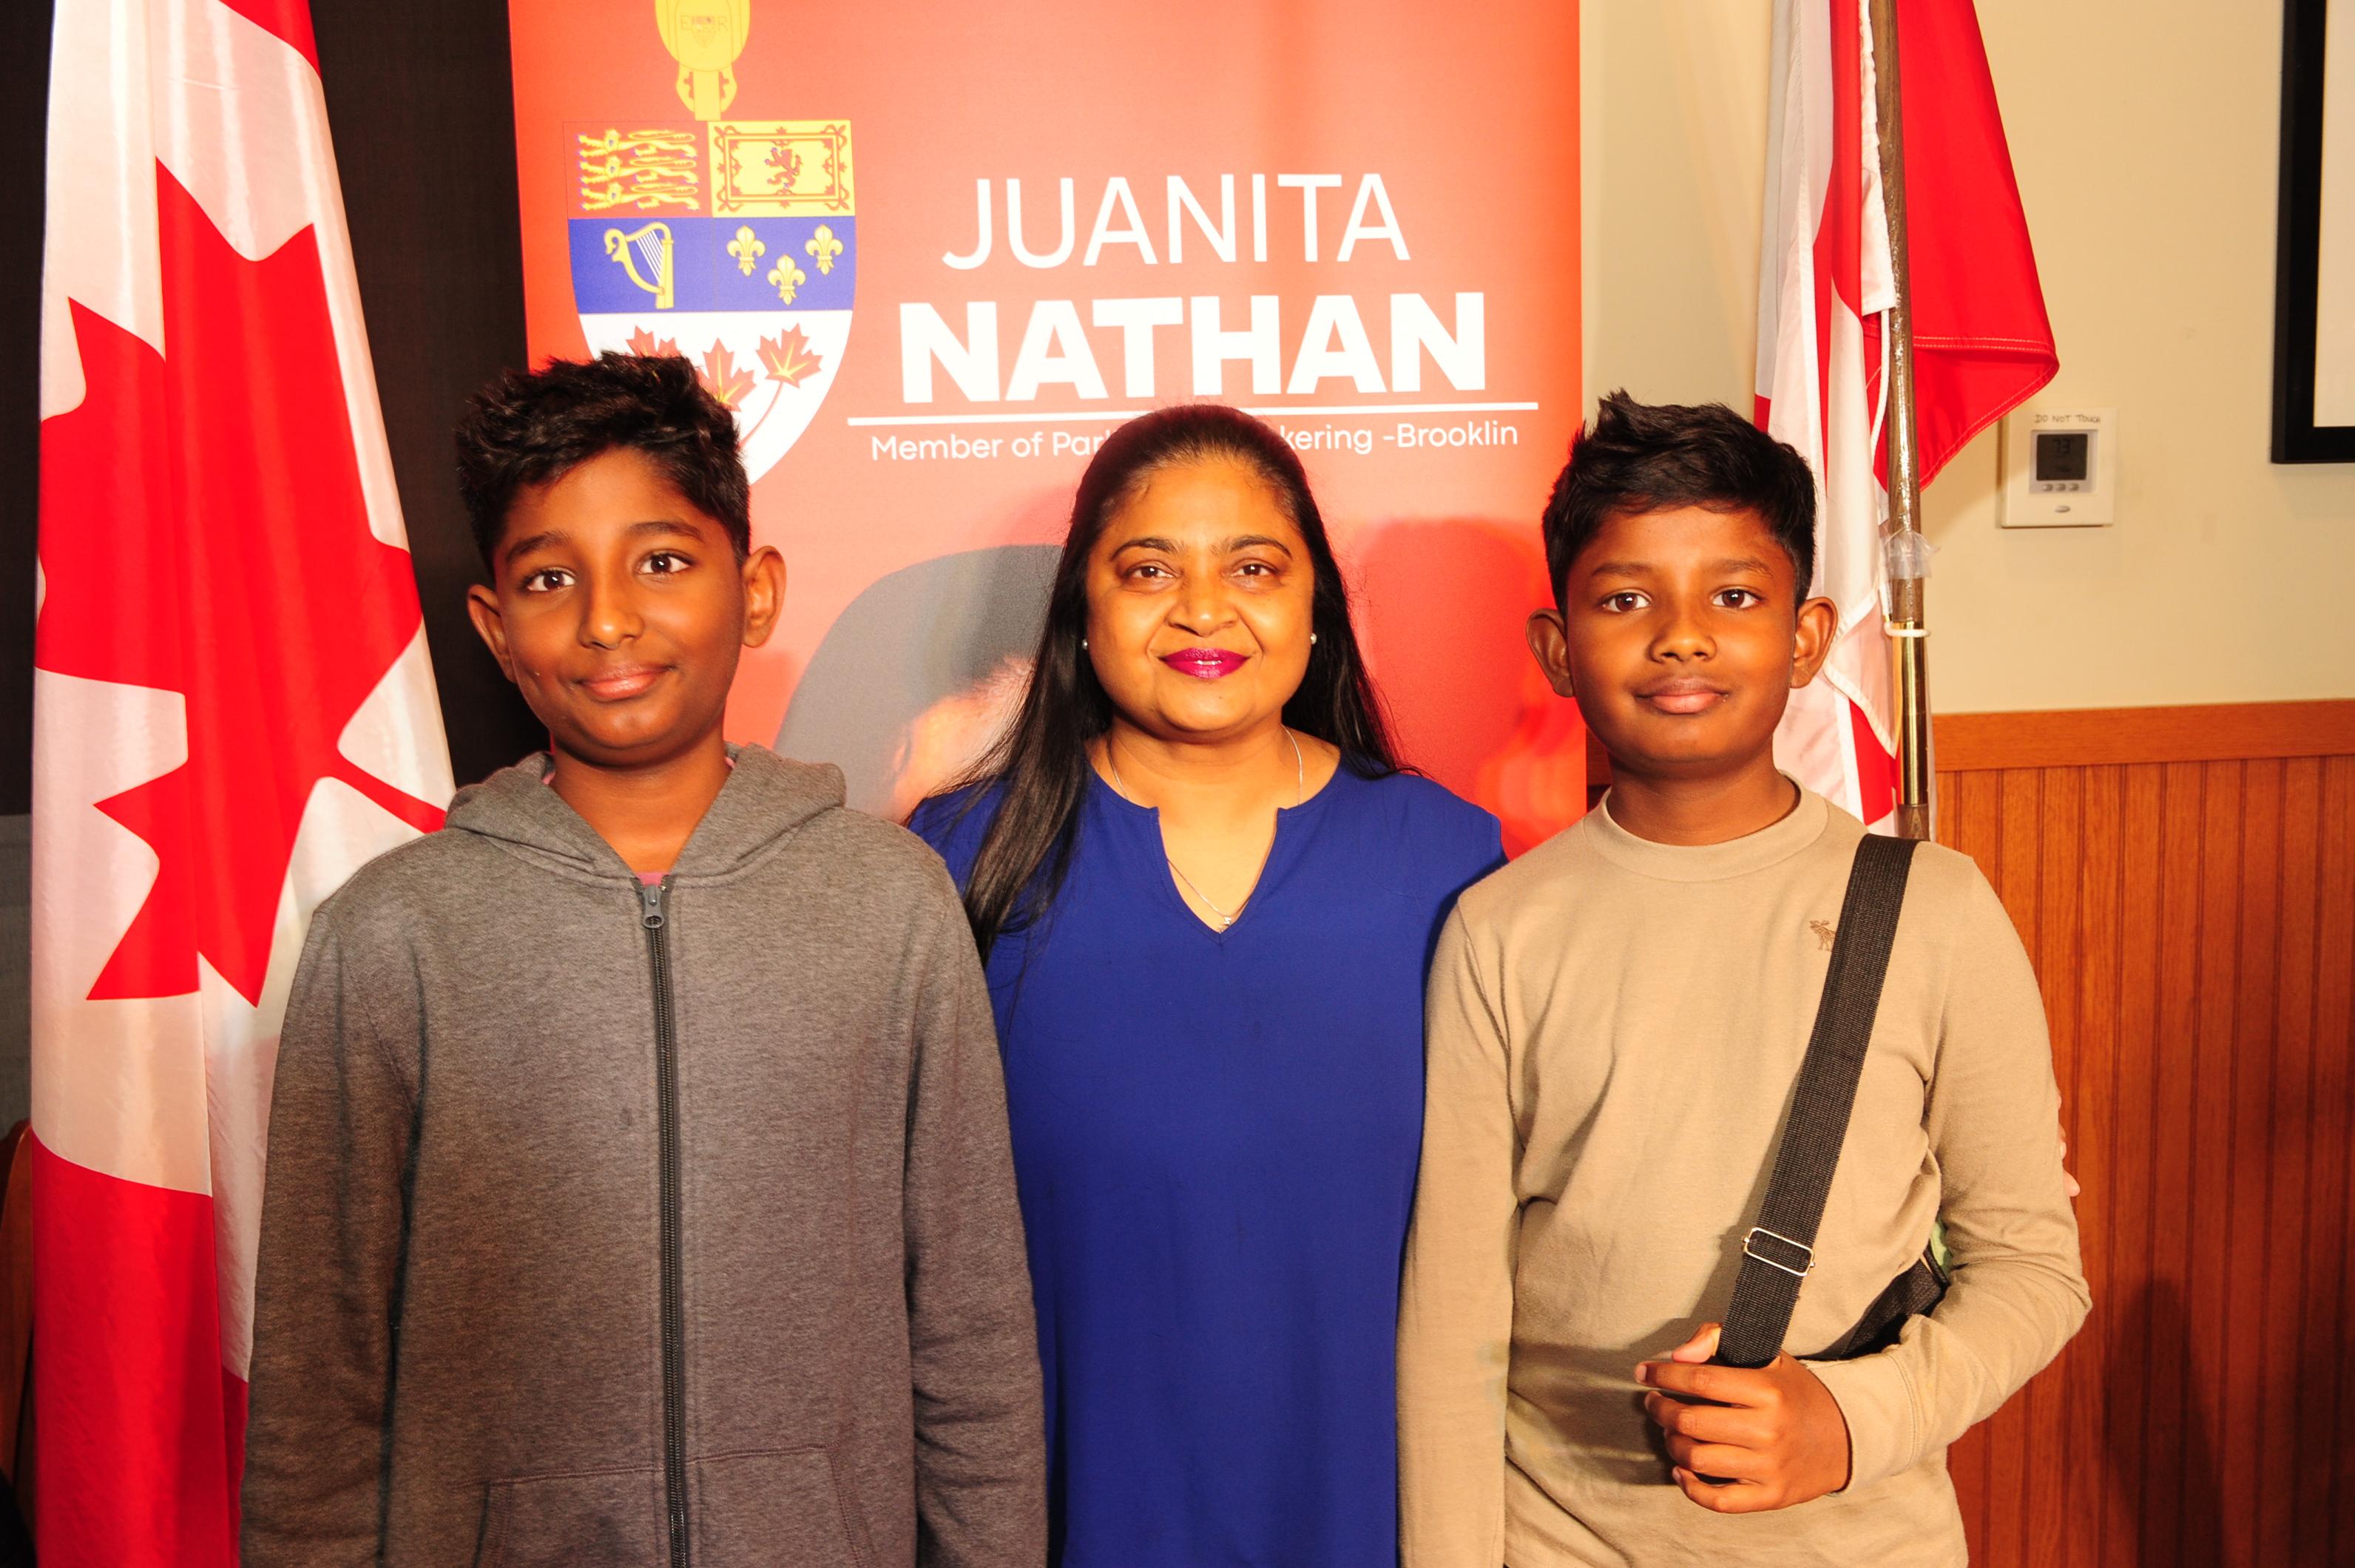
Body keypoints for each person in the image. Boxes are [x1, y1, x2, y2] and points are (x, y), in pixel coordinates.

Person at [241, 354, 1045, 1567]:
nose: (608, 619)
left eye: (661, 562)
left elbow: (971, 1321)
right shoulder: (393, 936)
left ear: (756, 592)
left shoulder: (890, 904)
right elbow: (321, 1373)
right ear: (495, 628)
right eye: (550, 577)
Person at [1396, 393, 2089, 1566]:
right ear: (1558, 650)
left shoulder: (1936, 912)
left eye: (1733, 596)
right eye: (1627, 599)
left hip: (1866, 1546)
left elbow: (2033, 1269)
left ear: (1808, 638)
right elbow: (1453, 1325)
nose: (1682, 637)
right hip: (1565, 1541)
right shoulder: (1499, 932)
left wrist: (1852, 1420)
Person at [910, 404, 1503, 1568]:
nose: (1202, 609)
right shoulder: (959, 860)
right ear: (1082, 611)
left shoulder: (1450, 861)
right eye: (1148, 570)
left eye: (1253, 568)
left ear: (1315, 606)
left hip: (1376, 1518)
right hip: (1062, 1517)